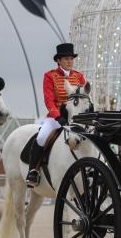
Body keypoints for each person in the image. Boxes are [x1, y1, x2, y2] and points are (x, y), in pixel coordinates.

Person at [27, 43, 87, 187]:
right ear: (58, 61)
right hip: (57, 116)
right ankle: (33, 171)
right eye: (66, 58)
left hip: (75, 117)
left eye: (71, 58)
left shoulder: (79, 77)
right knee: (41, 137)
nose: (69, 61)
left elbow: (85, 97)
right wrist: (57, 115)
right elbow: (49, 100)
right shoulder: (50, 76)